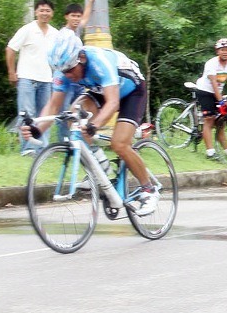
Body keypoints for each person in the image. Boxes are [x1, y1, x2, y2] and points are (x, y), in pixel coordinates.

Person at [20, 32, 158, 216]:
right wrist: (37, 130)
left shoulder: (99, 61)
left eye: (70, 70)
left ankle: (149, 190)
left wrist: (95, 125)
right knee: (73, 118)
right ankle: (102, 167)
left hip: (131, 91)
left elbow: (113, 103)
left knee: (119, 144)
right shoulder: (64, 70)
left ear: (82, 58)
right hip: (101, 91)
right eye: (64, 72)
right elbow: (53, 105)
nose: (68, 75)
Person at [6, 0, 59, 155]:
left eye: (48, 10)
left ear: (52, 13)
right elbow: (10, 49)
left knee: (45, 116)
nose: (44, 13)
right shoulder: (27, 29)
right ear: (36, 12)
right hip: (26, 78)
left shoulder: (55, 34)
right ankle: (28, 148)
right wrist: (11, 72)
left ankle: (43, 148)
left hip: (47, 80)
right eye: (41, 10)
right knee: (26, 114)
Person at [57, 0, 98, 140]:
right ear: (66, 17)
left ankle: (81, 140)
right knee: (64, 111)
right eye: (73, 16)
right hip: (67, 76)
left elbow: (85, 18)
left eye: (78, 16)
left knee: (81, 110)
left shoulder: (77, 30)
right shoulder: (62, 34)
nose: (76, 19)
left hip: (79, 78)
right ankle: (64, 141)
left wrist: (90, 0)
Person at [195, 38, 227, 160]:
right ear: (217, 51)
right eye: (222, 50)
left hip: (217, 92)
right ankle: (210, 152)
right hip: (205, 91)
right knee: (209, 119)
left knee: (221, 121)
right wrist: (221, 101)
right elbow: (213, 83)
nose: (225, 52)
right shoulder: (211, 63)